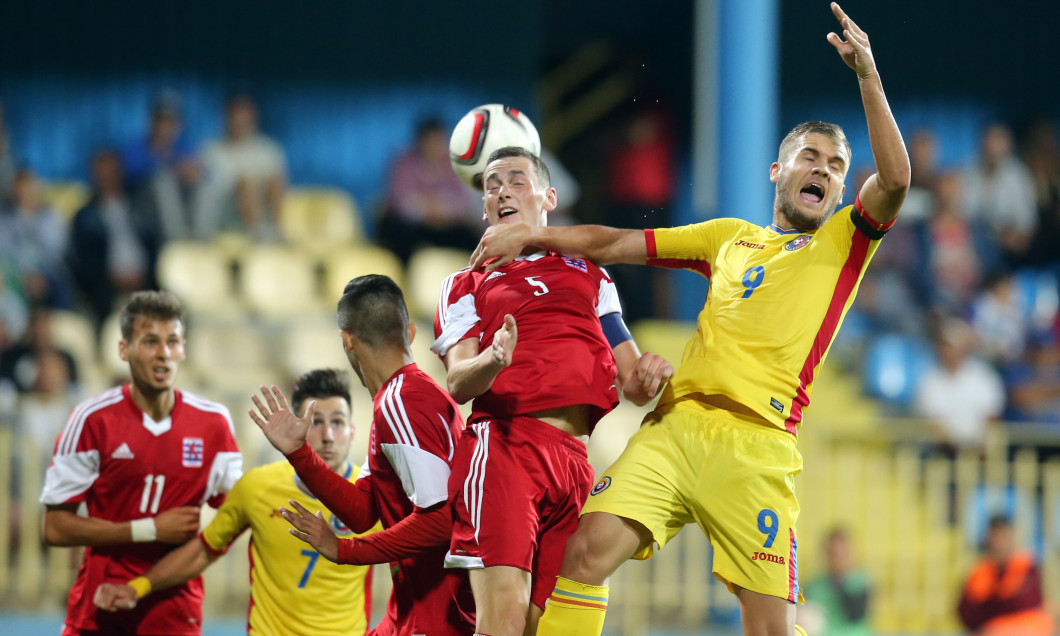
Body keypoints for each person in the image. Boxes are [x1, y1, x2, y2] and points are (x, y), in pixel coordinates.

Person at [469, 5, 909, 635]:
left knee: (767, 630)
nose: (824, 170)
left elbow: (896, 178)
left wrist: (868, 75)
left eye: (835, 166)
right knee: (579, 556)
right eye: (810, 157)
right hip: (675, 428)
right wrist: (535, 237)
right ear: (777, 171)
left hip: (758, 447)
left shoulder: (844, 243)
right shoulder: (727, 237)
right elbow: (615, 242)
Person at [432, 145, 673, 636]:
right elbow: (458, 382)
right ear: (483, 208)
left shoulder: (592, 274)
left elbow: (631, 383)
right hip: (505, 448)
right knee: (503, 619)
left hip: (573, 464)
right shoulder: (467, 282)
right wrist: (493, 360)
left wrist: (649, 373)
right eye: (491, 185)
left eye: (516, 180)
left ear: (550, 196)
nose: (501, 191)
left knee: (544, 626)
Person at [248, 274, 475, 635]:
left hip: (440, 616)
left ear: (347, 341)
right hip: (411, 608)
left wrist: (344, 550)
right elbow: (364, 510)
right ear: (410, 334)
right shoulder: (399, 401)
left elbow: (440, 519)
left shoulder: (402, 404)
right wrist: (300, 453)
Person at [92, 368, 378, 635]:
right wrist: (138, 587)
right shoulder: (257, 487)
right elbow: (204, 550)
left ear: (353, 432)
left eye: (337, 423)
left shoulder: (374, 497)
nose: (327, 436)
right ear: (295, 427)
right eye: (315, 422)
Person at [39, 290, 243, 636]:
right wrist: (149, 529)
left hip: (175, 610)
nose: (163, 354)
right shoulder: (92, 420)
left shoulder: (214, 424)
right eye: (150, 341)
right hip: (100, 606)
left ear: (183, 349)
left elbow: (237, 513)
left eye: (172, 341)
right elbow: (55, 527)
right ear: (124, 349)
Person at [67, 150, 162, 328]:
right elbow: (83, 261)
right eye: (101, 172)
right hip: (105, 285)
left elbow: (154, 245)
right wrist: (112, 277)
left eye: (110, 171)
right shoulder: (85, 216)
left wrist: (143, 274)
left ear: (120, 172)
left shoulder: (140, 208)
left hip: (145, 279)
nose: (106, 177)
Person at [376, 117, 481, 264]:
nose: (434, 146)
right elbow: (401, 202)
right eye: (429, 141)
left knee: (472, 237)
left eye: (438, 140)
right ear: (420, 142)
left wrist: (442, 210)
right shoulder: (404, 163)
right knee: (399, 234)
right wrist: (427, 210)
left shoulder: (454, 165)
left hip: (446, 226)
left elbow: (462, 202)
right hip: (412, 228)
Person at [194, 94, 287, 241]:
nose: (239, 121)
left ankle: (274, 232)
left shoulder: (268, 149)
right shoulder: (210, 149)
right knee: (245, 184)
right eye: (235, 115)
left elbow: (277, 187)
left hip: (262, 212)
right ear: (226, 117)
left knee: (265, 182)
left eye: (244, 116)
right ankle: (260, 237)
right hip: (222, 214)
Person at [957, 515, 1054, 635]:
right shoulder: (980, 570)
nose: (1000, 543)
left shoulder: (1026, 565)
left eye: (1004, 536)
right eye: (996, 536)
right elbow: (966, 613)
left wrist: (989, 605)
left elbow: (1024, 603)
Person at [801, 527, 872, 636]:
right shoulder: (813, 586)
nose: (837, 558)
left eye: (842, 553)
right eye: (833, 553)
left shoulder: (860, 583)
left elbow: (855, 614)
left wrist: (839, 581)